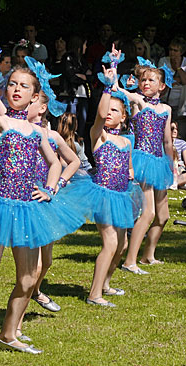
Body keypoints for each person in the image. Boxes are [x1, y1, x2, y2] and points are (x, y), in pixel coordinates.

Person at [0, 36, 77, 366]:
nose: (16, 90)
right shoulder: (0, 121)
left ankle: (8, 333)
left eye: (24, 86)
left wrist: (51, 189)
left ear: (35, 95)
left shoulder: (38, 132)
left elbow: (55, 163)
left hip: (27, 208)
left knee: (27, 279)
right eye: (12, 84)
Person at [63, 66, 143, 306]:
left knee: (122, 244)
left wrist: (130, 178)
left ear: (124, 117)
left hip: (120, 195)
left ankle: (105, 283)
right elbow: (98, 116)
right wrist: (109, 87)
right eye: (107, 109)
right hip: (102, 194)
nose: (109, 113)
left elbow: (128, 167)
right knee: (110, 243)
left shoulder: (127, 141)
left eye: (115, 110)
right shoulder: (100, 136)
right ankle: (94, 294)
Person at [120, 48, 175, 272]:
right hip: (142, 160)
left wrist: (172, 166)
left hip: (159, 161)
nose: (146, 83)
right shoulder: (138, 103)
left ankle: (147, 255)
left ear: (162, 86)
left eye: (151, 80)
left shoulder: (166, 109)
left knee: (163, 215)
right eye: (143, 80)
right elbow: (125, 93)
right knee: (149, 212)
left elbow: (167, 142)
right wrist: (115, 78)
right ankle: (129, 261)